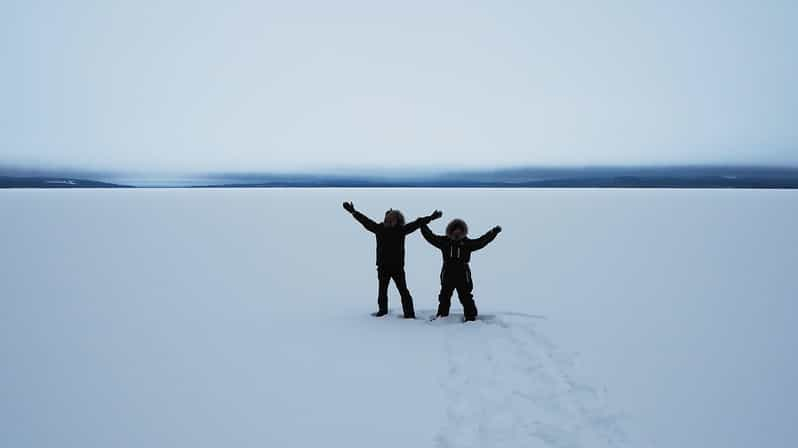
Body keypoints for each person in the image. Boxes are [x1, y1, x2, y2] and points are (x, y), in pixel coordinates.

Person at [343, 201, 442, 318]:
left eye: (392, 219)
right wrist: (354, 212)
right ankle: (382, 312)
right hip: (382, 267)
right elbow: (365, 221)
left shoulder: (401, 230)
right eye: (387, 219)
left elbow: (417, 223)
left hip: (397, 267)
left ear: (398, 220)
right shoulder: (379, 228)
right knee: (382, 291)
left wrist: (431, 217)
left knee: (403, 291)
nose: (388, 221)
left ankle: (409, 314)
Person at [421, 218, 501, 322]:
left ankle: (471, 318)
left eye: (460, 230)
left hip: (463, 274)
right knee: (444, 297)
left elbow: (481, 241)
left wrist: (493, 232)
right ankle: (441, 317)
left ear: (463, 231)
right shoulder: (444, 241)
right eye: (455, 230)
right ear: (451, 231)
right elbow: (430, 237)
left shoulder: (467, 243)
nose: (457, 232)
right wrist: (422, 225)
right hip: (447, 274)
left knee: (466, 297)